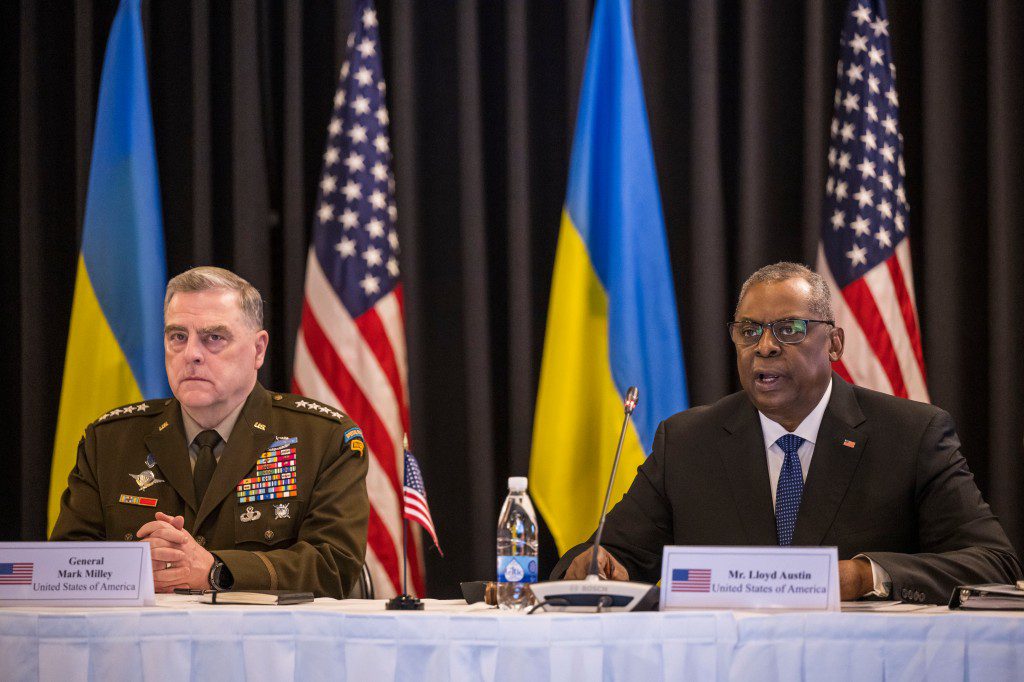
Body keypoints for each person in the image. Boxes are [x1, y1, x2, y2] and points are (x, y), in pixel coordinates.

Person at [555, 262, 1022, 603]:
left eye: (789, 329)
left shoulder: (912, 435)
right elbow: (612, 556)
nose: (766, 346)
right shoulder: (687, 441)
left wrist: (867, 575)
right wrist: (594, 566)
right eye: (749, 330)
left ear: (835, 342)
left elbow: (994, 562)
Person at [51, 266, 369, 598]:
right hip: (140, 644)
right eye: (177, 337)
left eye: (213, 338)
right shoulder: (110, 441)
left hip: (266, 645)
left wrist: (217, 570)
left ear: (258, 349)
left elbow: (333, 566)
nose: (191, 355)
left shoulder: (324, 440)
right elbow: (65, 564)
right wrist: (135, 567)